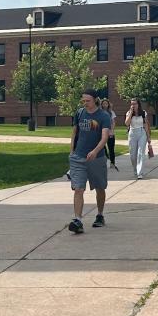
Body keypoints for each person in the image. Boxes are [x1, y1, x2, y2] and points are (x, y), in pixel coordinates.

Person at [67, 90, 112, 235]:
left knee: (100, 187)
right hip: (78, 157)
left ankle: (99, 215)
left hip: (96, 158)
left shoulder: (103, 116)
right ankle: (78, 220)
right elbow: (74, 132)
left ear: (95, 100)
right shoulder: (80, 113)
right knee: (78, 188)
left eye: (88, 101)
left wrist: (95, 151)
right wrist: (72, 151)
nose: (85, 103)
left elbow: (104, 137)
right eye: (83, 101)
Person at [125, 97, 153, 179]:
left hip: (142, 133)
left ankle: (140, 172)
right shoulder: (128, 113)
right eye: (132, 104)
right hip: (132, 133)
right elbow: (127, 123)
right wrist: (130, 113)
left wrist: (148, 137)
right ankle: (135, 170)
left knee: (141, 153)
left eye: (135, 104)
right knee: (133, 155)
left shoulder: (143, 113)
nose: (133, 105)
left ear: (138, 104)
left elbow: (146, 125)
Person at [101, 97, 119, 171]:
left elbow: (113, 122)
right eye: (103, 104)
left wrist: (111, 131)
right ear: (101, 105)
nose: (105, 105)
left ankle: (112, 162)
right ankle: (105, 157)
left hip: (110, 132)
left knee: (111, 148)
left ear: (108, 104)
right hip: (101, 133)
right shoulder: (99, 112)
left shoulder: (111, 112)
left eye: (106, 103)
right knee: (102, 147)